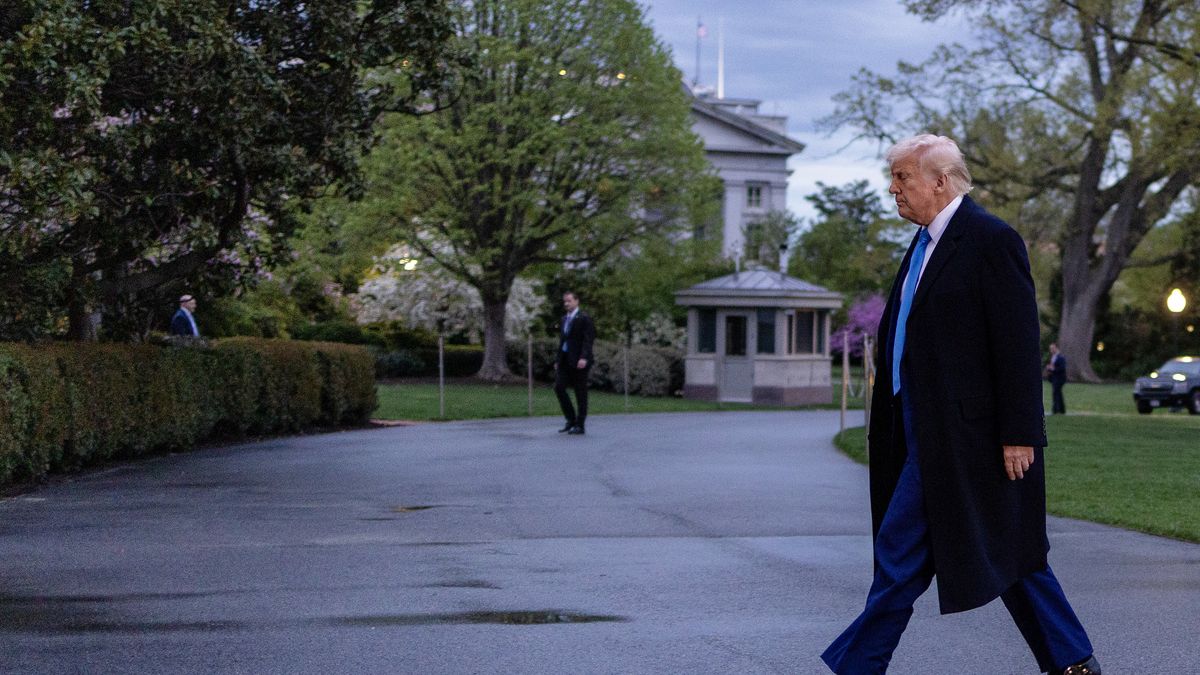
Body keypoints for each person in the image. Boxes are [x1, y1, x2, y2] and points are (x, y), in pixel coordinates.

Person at [821, 135, 1100, 675]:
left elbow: (1018, 344)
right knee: (1011, 552)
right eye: (895, 178)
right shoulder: (922, 245)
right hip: (915, 428)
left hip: (965, 437)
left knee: (902, 556)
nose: (893, 188)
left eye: (903, 177)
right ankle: (1074, 663)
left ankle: (858, 667)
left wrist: (1020, 432)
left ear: (940, 182)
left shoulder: (991, 240)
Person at [554, 291, 594, 435]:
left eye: (569, 301)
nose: (566, 304)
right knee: (559, 387)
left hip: (579, 360)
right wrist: (558, 359)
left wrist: (584, 357)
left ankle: (580, 424)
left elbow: (587, 340)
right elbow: (563, 341)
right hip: (565, 359)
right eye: (565, 301)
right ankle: (570, 419)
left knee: (580, 391)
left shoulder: (584, 318)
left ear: (577, 301)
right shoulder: (564, 319)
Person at [1046, 342, 1068, 415]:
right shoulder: (1053, 357)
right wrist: (1049, 369)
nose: (1051, 350)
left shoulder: (1060, 357)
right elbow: (1052, 367)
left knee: (1056, 393)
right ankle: (1062, 410)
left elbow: (1062, 368)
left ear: (1056, 348)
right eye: (1050, 348)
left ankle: (1055, 410)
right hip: (1054, 378)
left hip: (1060, 378)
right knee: (1058, 393)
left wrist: (1052, 369)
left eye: (1053, 348)